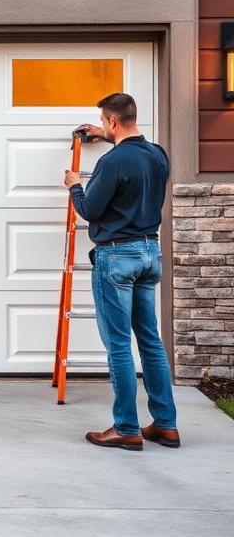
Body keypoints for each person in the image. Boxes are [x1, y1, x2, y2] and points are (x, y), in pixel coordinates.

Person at [64, 93, 180, 451]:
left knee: (118, 346)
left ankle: (126, 427)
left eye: (103, 121)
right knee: (150, 340)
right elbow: (134, 168)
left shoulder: (113, 162)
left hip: (116, 256)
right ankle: (166, 425)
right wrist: (104, 135)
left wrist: (74, 185)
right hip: (149, 252)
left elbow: (90, 209)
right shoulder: (157, 154)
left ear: (112, 121)